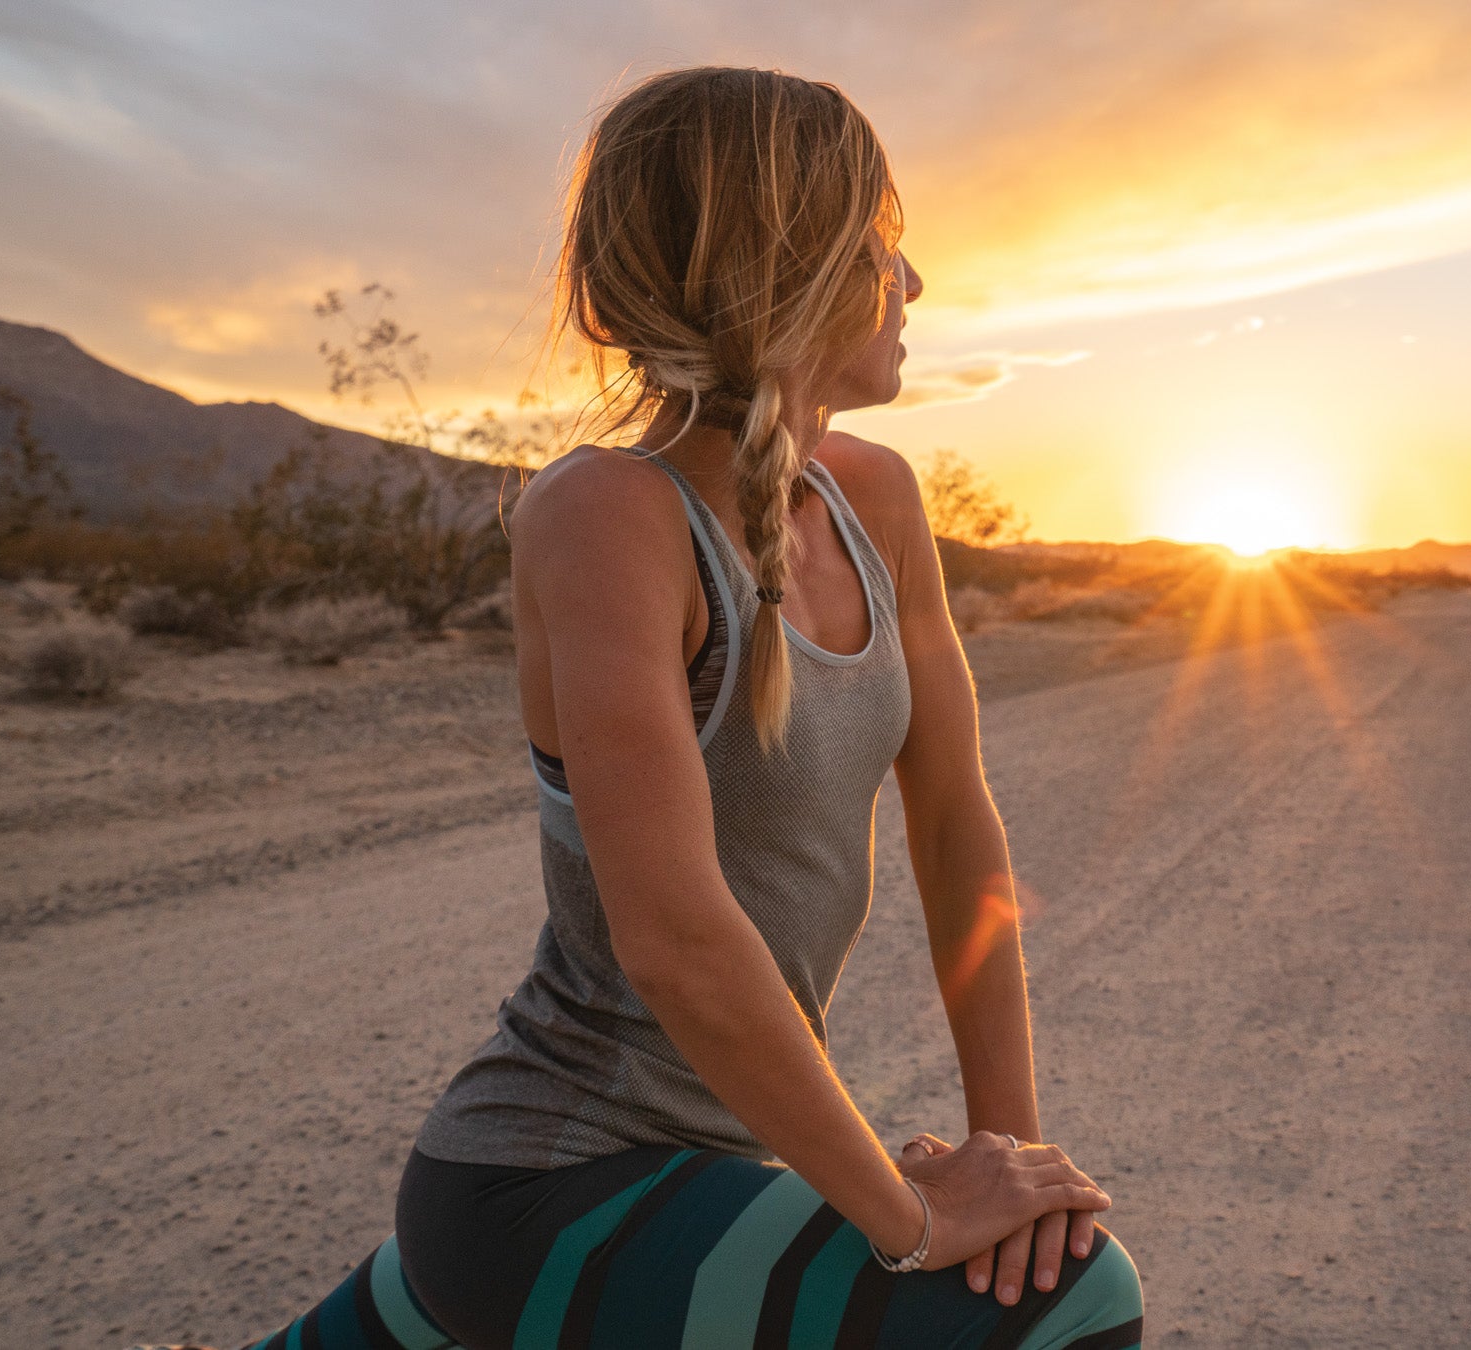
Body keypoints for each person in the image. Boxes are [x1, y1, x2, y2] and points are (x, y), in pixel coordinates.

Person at [137, 66, 1141, 1350]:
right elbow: (674, 940)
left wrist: (1013, 1160)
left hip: (706, 1169)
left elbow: (959, 836)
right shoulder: (610, 513)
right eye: (883, 245)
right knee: (1075, 1311)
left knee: (1039, 1262)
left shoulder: (877, 500)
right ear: (789, 266)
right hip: (549, 1182)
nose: (915, 284)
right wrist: (910, 1219)